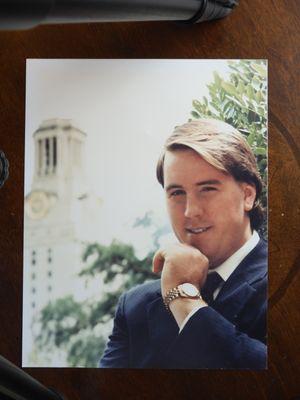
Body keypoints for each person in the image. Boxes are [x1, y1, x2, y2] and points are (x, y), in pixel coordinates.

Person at [100, 118, 267, 369]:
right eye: (177, 193)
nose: (190, 211)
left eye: (207, 189)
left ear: (247, 195)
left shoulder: (286, 285)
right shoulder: (135, 306)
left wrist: (184, 300)